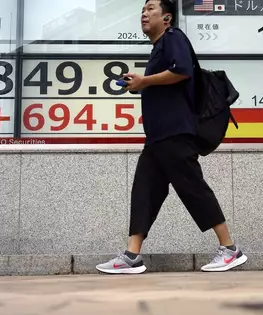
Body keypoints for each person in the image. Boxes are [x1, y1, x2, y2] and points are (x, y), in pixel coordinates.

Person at [96, 0, 247, 274]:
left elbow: (182, 71)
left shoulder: (173, 37)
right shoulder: (157, 49)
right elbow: (166, 82)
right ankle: (132, 255)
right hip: (157, 138)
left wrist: (145, 81)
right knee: (144, 192)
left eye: (150, 8)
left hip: (175, 133)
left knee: (193, 188)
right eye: (142, 10)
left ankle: (230, 249)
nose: (144, 13)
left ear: (166, 18)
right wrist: (140, 85)